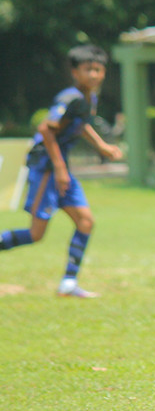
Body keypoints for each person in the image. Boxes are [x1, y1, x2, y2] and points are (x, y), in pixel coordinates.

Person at [0, 44, 123, 298]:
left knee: (86, 222)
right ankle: (67, 284)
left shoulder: (89, 98)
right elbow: (47, 129)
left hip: (61, 169)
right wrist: (58, 168)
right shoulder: (70, 97)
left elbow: (81, 125)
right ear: (75, 72)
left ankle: (68, 284)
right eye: (88, 69)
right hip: (47, 168)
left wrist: (102, 146)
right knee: (36, 234)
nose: (95, 75)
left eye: (99, 70)